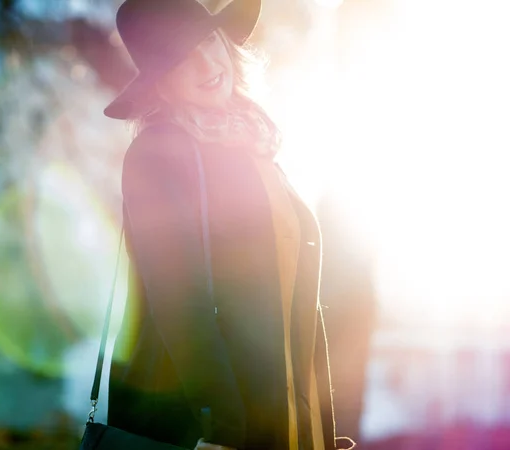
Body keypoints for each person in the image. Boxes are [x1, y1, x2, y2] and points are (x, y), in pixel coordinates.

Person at [104, 1, 356, 449]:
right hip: (216, 429)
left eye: (207, 41)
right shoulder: (160, 154)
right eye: (180, 58)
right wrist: (221, 428)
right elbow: (183, 306)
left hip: (287, 423)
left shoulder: (256, 150)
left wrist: (319, 430)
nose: (206, 64)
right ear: (159, 84)